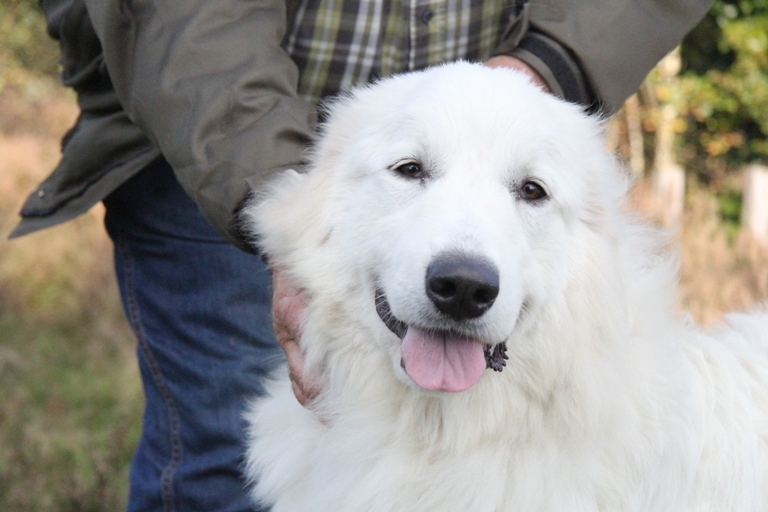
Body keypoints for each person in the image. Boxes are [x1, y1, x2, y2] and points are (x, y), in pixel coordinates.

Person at [12, 0, 712, 510]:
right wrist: (282, 208)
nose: (466, 277)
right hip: (209, 121)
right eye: (412, 170)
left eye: (530, 190)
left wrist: (545, 66)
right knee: (221, 458)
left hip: (519, 86)